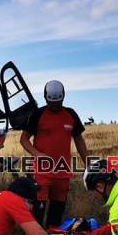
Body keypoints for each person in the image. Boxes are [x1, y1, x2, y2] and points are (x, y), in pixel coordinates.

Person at [20, 80, 88, 227]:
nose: (55, 106)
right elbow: (24, 139)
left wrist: (88, 164)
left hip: (62, 173)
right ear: (45, 98)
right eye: (51, 103)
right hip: (41, 172)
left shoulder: (70, 114)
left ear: (63, 97)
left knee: (56, 215)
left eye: (58, 103)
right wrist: (37, 154)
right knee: (37, 213)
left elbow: (79, 140)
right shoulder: (38, 114)